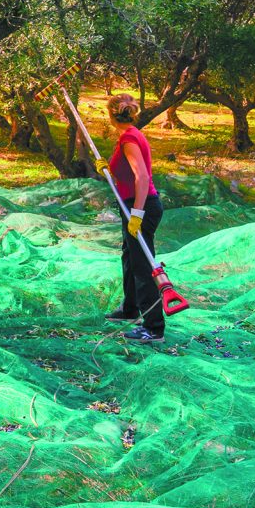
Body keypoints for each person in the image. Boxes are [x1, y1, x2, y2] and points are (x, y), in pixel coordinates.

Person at [106, 93, 166, 343]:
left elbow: (141, 177)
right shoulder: (130, 135)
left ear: (110, 115)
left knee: (143, 266)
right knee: (130, 257)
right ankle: (130, 308)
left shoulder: (130, 138)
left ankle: (154, 328)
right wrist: (107, 169)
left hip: (141, 207)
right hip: (131, 206)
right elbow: (127, 173)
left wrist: (137, 214)